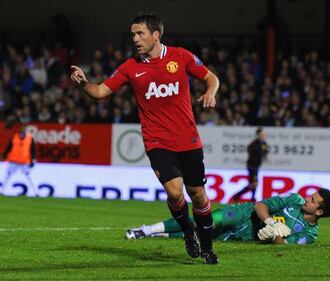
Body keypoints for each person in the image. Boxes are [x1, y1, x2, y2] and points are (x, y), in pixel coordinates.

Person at [70, 14, 220, 264]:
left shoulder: (180, 56)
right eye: (133, 34)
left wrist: (210, 93)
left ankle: (207, 248)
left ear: (156, 35)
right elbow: (99, 92)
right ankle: (187, 233)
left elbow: (211, 78)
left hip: (189, 140)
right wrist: (83, 83)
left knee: (198, 195)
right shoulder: (130, 67)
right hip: (157, 142)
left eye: (140, 33)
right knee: (174, 193)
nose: (135, 39)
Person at [126, 189, 330, 245]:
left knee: (201, 236)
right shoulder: (294, 199)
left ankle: (161, 235)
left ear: (319, 212)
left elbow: (283, 245)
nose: (307, 200)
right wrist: (270, 222)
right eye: (311, 196)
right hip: (244, 214)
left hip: (248, 236)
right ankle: (147, 229)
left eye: (312, 201)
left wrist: (274, 235)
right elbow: (261, 205)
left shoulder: (310, 234)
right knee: (207, 219)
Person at [232, 127, 269, 202]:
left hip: (256, 166)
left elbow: (265, 152)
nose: (263, 136)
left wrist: (265, 155)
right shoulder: (253, 144)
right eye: (261, 135)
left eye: (263, 135)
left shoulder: (264, 144)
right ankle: (246, 197)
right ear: (258, 135)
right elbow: (251, 154)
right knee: (254, 183)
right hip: (252, 166)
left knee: (253, 183)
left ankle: (241, 196)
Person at [1, 124, 37, 196]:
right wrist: (4, 154)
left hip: (24, 161)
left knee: (30, 176)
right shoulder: (14, 137)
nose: (23, 130)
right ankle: (2, 191)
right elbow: (9, 147)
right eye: (22, 128)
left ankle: (36, 192)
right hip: (14, 160)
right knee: (7, 175)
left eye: (24, 129)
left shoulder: (30, 138)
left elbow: (32, 150)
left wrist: (33, 159)